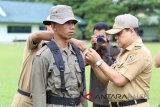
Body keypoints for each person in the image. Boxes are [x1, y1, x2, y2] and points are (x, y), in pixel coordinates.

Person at [11, 15, 87, 107]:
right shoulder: (37, 43)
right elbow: (37, 35)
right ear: (50, 25)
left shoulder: (64, 49)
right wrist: (69, 38)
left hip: (47, 100)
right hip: (27, 99)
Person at [85, 14, 152, 107]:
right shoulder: (124, 52)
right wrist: (93, 63)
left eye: (119, 33)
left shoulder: (139, 51)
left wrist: (98, 61)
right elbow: (107, 79)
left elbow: (119, 80)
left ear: (131, 31)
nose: (116, 37)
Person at [32, 5, 87, 107]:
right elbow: (38, 94)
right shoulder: (44, 56)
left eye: (73, 22)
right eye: (66, 23)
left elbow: (82, 90)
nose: (72, 26)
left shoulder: (77, 54)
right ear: (53, 26)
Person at [89, 22, 120, 107]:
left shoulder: (116, 50)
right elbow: (83, 63)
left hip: (110, 96)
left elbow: (111, 67)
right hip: (96, 96)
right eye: (97, 36)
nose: (99, 39)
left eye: (101, 36)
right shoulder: (94, 50)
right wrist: (93, 47)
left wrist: (104, 49)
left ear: (108, 36)